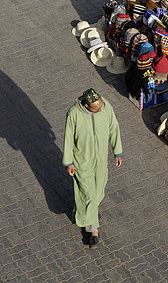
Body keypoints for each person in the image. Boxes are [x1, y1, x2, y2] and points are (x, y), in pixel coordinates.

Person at [62, 88, 122, 247]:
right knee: (88, 194)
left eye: (101, 106)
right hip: (83, 161)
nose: (101, 109)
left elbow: (113, 128)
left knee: (98, 190)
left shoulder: (105, 106)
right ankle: (93, 230)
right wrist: (68, 162)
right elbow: (68, 138)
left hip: (101, 159)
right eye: (97, 108)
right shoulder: (74, 114)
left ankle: (81, 213)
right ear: (87, 105)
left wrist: (117, 151)